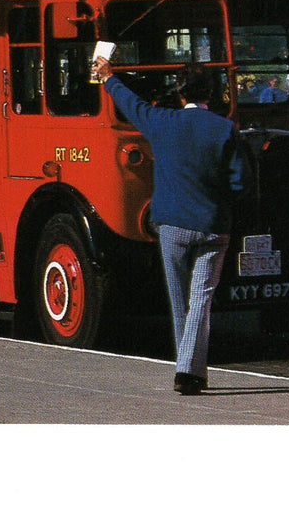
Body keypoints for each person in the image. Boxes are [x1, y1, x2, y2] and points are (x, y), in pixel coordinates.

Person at [94, 55, 247, 395]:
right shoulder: (225, 129)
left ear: (179, 94)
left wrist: (108, 78)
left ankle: (188, 370)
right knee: (201, 299)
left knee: (180, 301)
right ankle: (189, 371)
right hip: (212, 225)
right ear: (211, 92)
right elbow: (240, 184)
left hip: (171, 224)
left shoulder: (161, 122)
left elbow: (130, 104)